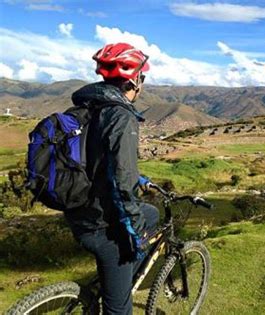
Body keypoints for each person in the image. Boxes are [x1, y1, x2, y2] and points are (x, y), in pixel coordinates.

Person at [64, 43, 159, 314]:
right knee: (119, 309)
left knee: (151, 213)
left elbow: (97, 159)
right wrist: (137, 234)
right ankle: (118, 292)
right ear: (134, 79)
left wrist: (139, 179)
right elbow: (122, 180)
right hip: (100, 223)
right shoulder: (120, 116)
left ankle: (118, 280)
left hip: (77, 209)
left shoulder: (87, 106)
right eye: (143, 77)